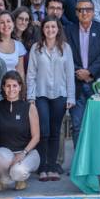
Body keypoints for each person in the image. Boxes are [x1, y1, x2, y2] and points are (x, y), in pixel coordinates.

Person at [26, 17, 75, 181]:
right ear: (43, 29)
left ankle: (53, 166)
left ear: (58, 29)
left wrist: (71, 97)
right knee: (44, 131)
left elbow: (70, 74)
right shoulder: (36, 48)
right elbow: (31, 74)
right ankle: (42, 167)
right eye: (47, 27)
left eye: (53, 27)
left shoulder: (65, 48)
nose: (50, 30)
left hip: (60, 95)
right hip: (41, 95)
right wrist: (30, 96)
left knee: (55, 132)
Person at [66, 0, 100, 146]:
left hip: (98, 83)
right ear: (76, 13)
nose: (84, 13)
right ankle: (79, 159)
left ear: (93, 12)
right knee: (77, 125)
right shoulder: (68, 30)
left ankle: (95, 158)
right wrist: (78, 72)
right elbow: (65, 55)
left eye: (88, 9)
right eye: (80, 10)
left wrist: (90, 72)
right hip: (76, 83)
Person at [0, 71, 41, 189]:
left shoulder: (29, 107)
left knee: (18, 172)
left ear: (20, 87)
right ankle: (4, 178)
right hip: (5, 153)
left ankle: (15, 178)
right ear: (3, 87)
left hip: (26, 153)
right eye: (8, 86)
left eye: (14, 86)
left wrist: (23, 153)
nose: (11, 89)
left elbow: (36, 137)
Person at [0, 11, 26, 81]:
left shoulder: (19, 45)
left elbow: (20, 72)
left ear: (13, 24)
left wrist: (22, 86)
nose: (6, 25)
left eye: (8, 21)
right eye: (2, 22)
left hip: (13, 86)